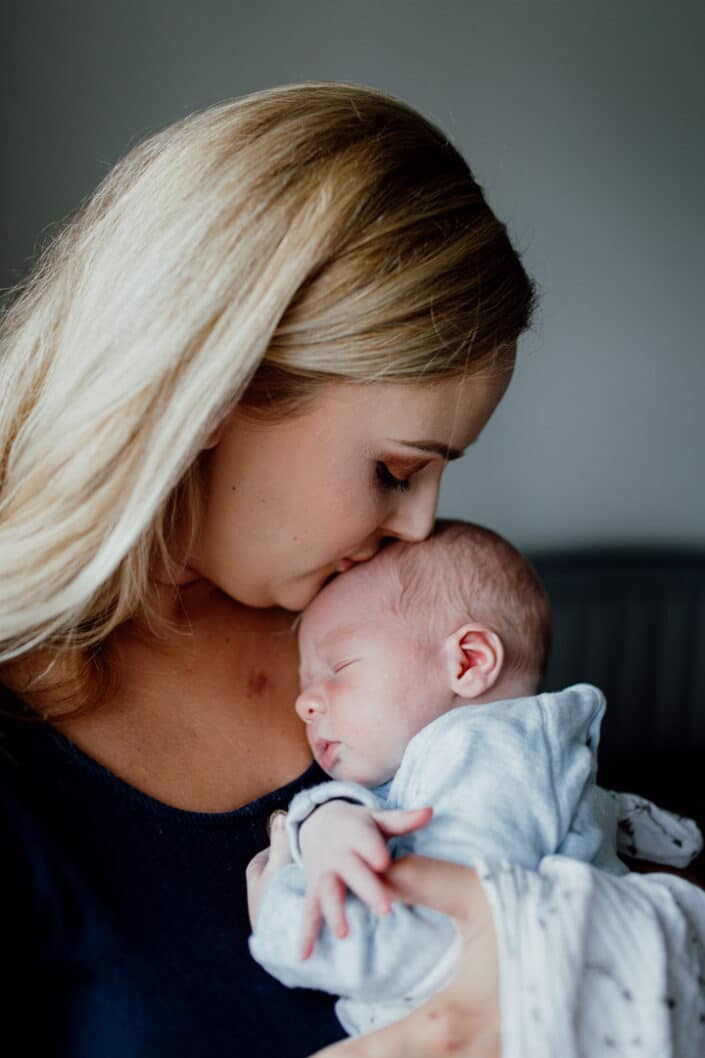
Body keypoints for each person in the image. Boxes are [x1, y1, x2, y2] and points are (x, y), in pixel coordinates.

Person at [0, 81, 702, 1058]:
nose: (420, 527)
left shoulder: (386, 630)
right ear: (215, 389)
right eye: (394, 469)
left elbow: (600, 871)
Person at [248, 521, 702, 1036]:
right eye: (305, 682)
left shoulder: (485, 754)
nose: (304, 703)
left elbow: (435, 943)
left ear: (468, 661)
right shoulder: (514, 760)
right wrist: (330, 815)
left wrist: (281, 913)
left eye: (339, 667)